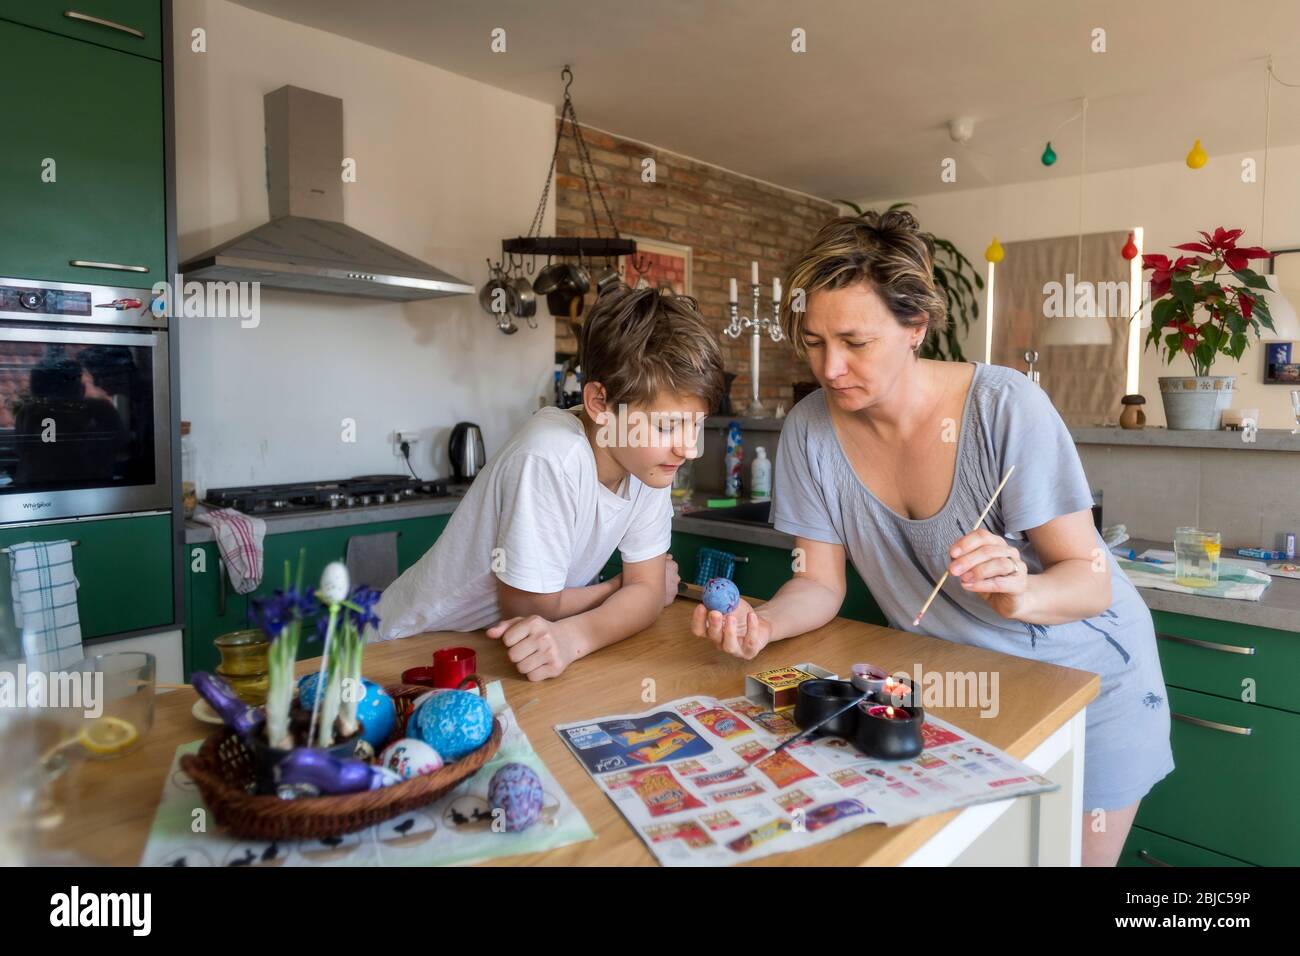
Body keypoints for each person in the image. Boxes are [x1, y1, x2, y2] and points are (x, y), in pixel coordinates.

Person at [692, 210, 1173, 866]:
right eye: (812, 342)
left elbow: (1088, 578)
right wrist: (766, 622)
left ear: (915, 327)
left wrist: (1021, 592)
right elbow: (818, 581)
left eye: (855, 342)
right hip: (954, 683)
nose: (830, 368)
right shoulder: (809, 428)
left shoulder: (1006, 408)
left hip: (1086, 683)